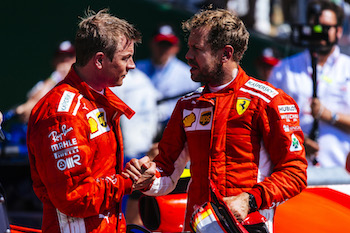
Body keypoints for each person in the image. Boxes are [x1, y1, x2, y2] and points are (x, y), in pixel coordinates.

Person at [123, 8, 307, 232]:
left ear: (226, 54)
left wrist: (249, 200)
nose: (187, 55)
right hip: (195, 226)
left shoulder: (269, 102)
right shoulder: (187, 105)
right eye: (189, 47)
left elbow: (295, 172)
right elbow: (166, 172)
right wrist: (148, 178)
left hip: (247, 226)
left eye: (197, 49)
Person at [27, 9, 155, 232]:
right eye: (126, 58)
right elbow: (74, 196)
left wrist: (129, 172)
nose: (132, 65)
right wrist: (128, 182)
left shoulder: (96, 99)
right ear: (99, 60)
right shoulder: (62, 114)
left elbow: (98, 175)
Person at [269, 0, 350, 168]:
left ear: (339, 31)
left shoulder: (347, 68)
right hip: (292, 171)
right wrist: (296, 138)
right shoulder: (284, 68)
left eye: (326, 28)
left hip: (340, 172)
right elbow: (267, 119)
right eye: (316, 27)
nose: (319, 32)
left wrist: (329, 115)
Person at [136, 24, 201, 133]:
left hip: (171, 132)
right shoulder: (136, 69)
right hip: (138, 126)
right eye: (160, 43)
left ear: (176, 47)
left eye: (168, 44)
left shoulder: (188, 75)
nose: (163, 49)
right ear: (151, 43)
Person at [15, 40, 76, 123]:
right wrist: (56, 77)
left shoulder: (84, 80)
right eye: (61, 58)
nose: (65, 61)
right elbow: (28, 110)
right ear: (54, 62)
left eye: (69, 57)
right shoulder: (44, 84)